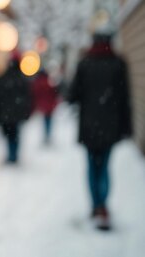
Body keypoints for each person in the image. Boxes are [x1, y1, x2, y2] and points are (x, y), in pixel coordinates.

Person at [68, 31, 132, 231]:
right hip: (110, 126)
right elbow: (125, 98)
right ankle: (102, 205)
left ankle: (95, 204)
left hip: (89, 126)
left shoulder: (85, 63)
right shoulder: (118, 64)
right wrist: (126, 126)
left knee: (91, 167)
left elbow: (72, 95)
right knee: (104, 166)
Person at [0, 51, 33, 164]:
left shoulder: (4, 77)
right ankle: (13, 154)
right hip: (16, 112)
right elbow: (27, 96)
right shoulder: (21, 79)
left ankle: (11, 154)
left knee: (9, 134)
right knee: (15, 134)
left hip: (6, 111)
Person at [31, 68, 60, 144]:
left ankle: (46, 135)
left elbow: (35, 94)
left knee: (45, 121)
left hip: (43, 105)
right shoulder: (49, 83)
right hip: (49, 106)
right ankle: (48, 135)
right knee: (48, 121)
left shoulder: (38, 83)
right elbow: (54, 94)